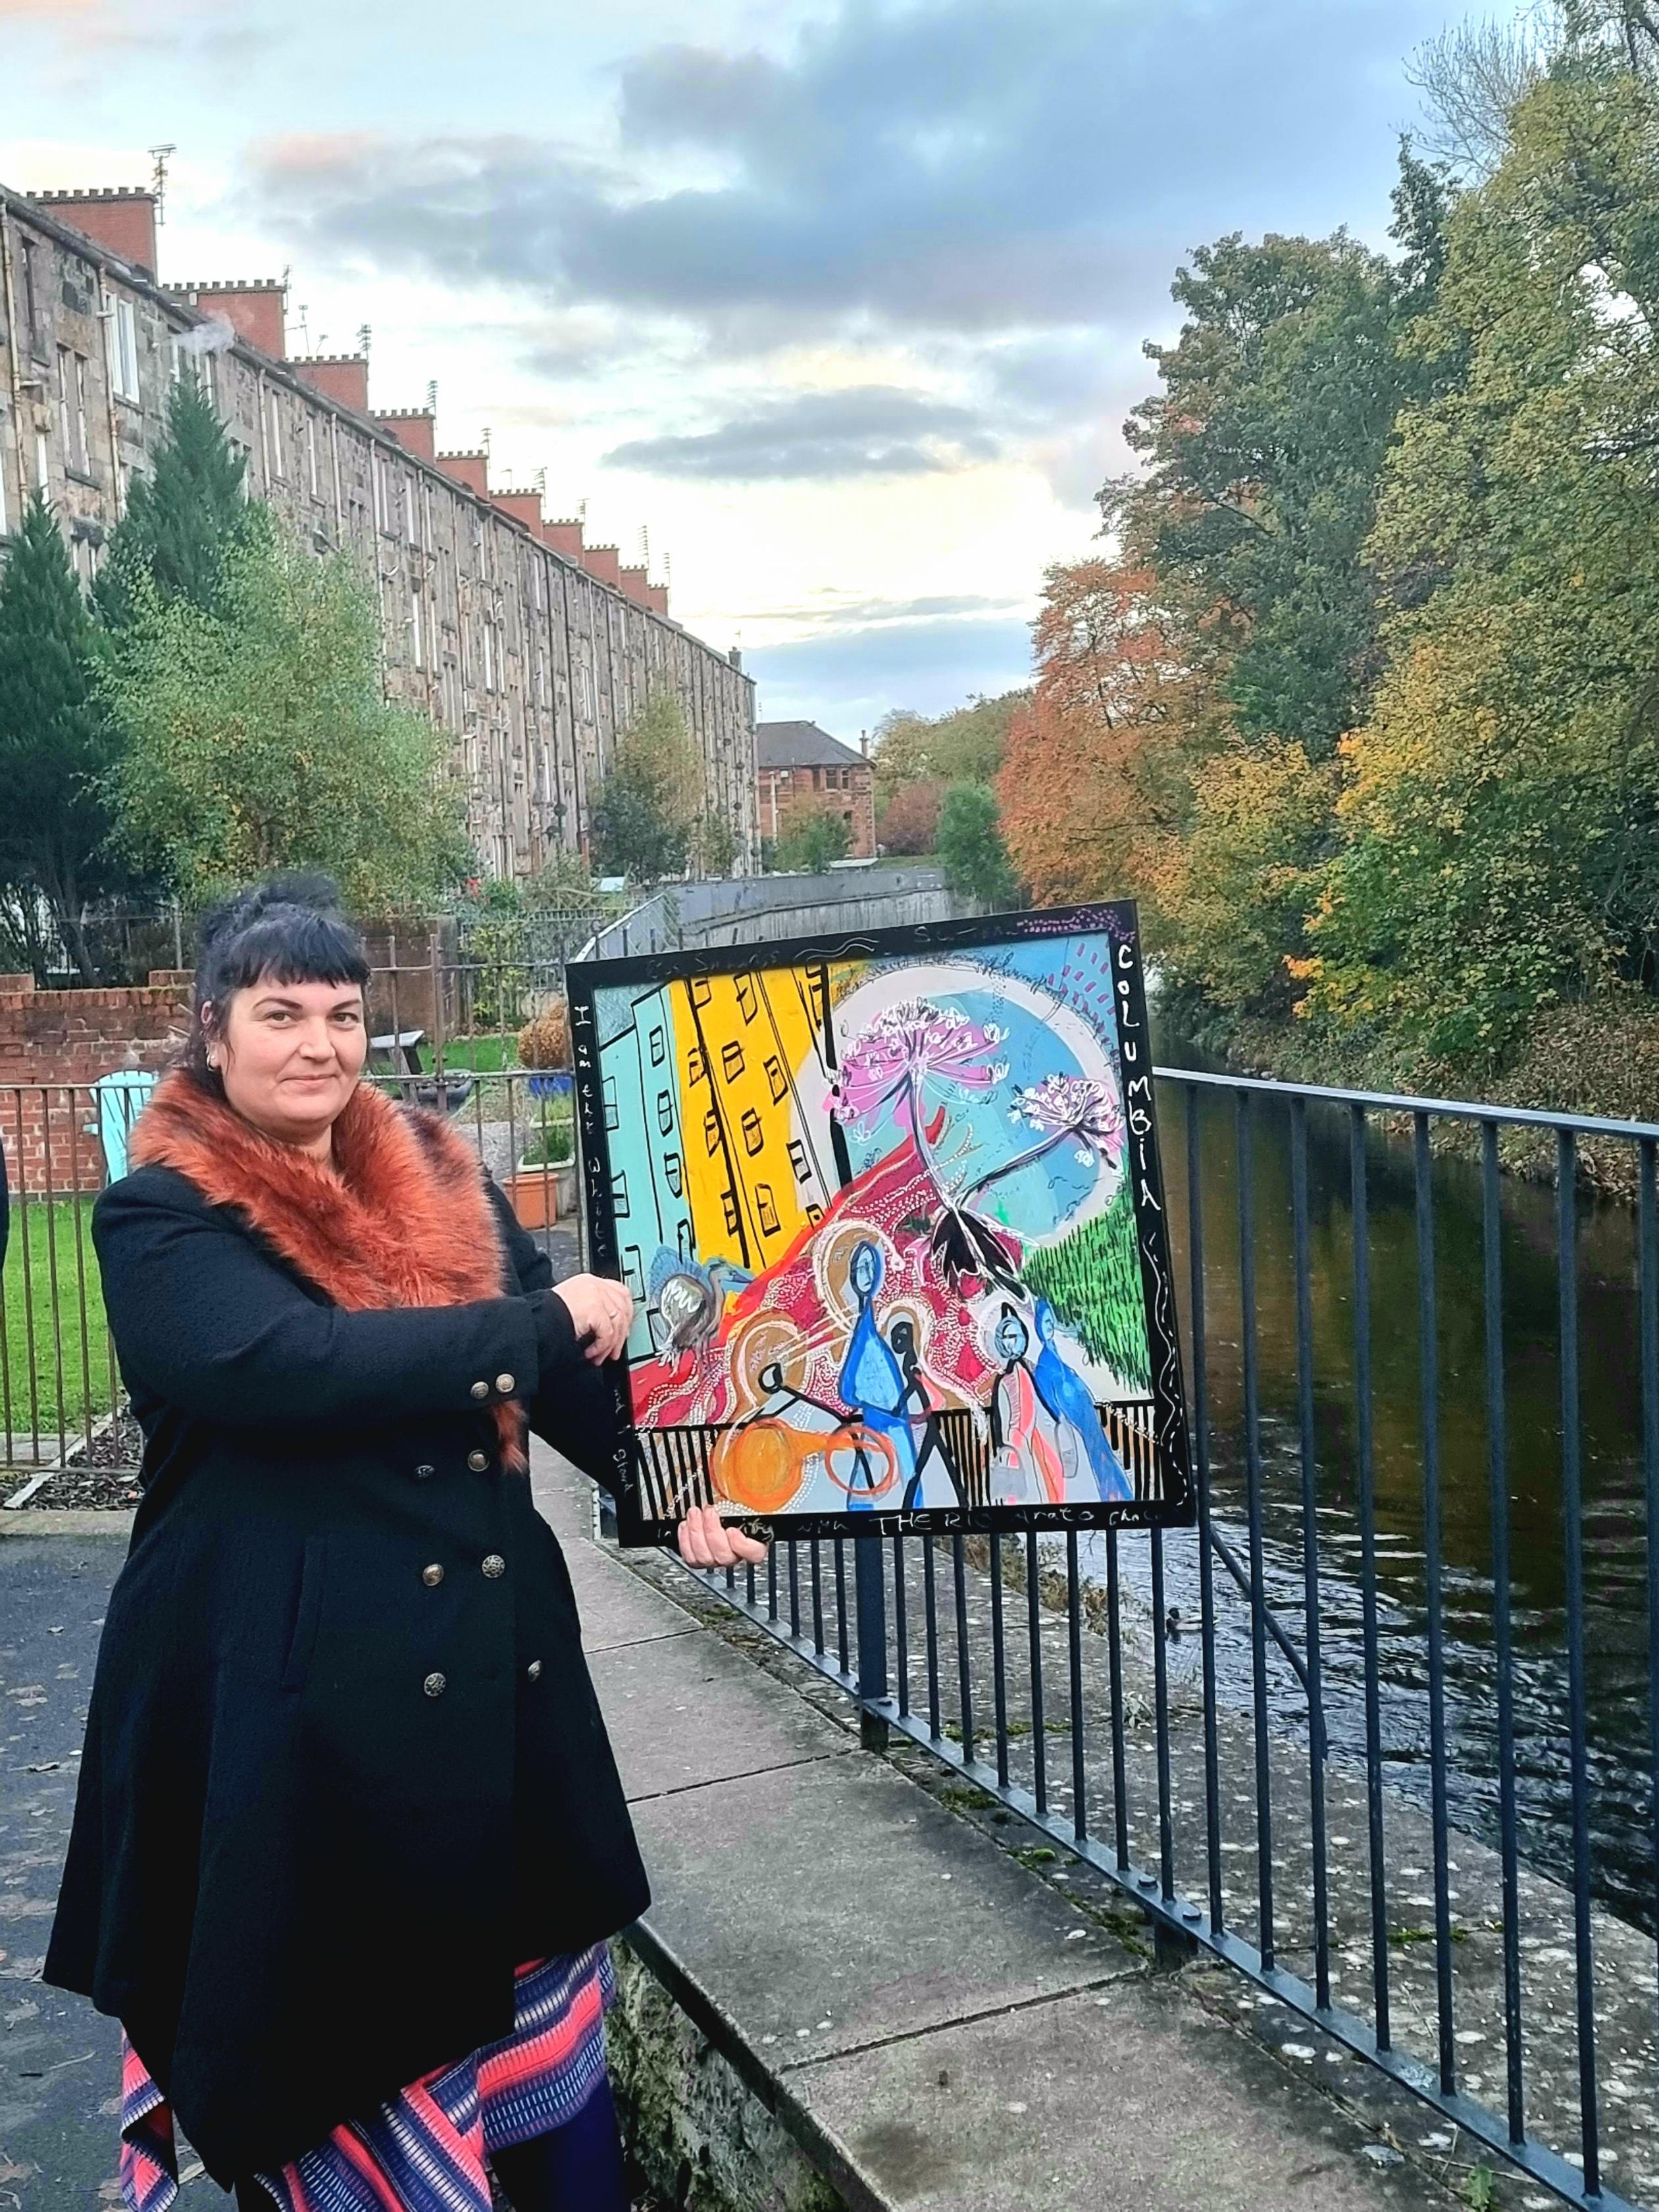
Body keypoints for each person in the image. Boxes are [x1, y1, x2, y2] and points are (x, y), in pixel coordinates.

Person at [42, 875, 763, 2212]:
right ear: (213, 1031)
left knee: (534, 2057)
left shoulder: (440, 1169)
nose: (318, 1042)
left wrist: (671, 1487)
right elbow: (294, 1364)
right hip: (302, 1701)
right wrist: (544, 1325)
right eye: (279, 1013)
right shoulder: (162, 1215)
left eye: (340, 1011)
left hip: (489, 1680)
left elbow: (559, 1380)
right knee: (350, 2042)